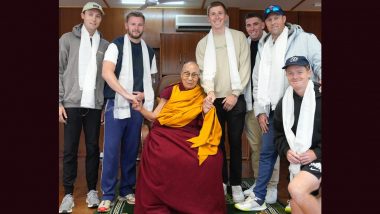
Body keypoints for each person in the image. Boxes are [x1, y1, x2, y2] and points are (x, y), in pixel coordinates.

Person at [235, 5, 321, 211]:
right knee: (267, 152)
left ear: (284, 19)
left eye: (277, 18)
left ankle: (299, 198)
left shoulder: (304, 38)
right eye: (270, 20)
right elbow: (257, 80)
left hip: (302, 106)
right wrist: (261, 110)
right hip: (274, 108)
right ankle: (259, 198)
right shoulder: (264, 45)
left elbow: (318, 61)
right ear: (266, 24)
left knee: (304, 151)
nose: (273, 23)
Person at [133, 61, 226, 213]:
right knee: (162, 154)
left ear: (199, 77)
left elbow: (206, 119)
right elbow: (154, 116)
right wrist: (140, 108)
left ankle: (199, 205)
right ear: (181, 75)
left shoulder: (202, 93)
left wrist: (205, 110)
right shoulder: (170, 90)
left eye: (194, 75)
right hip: (166, 132)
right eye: (187, 74)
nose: (190, 78)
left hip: (191, 133)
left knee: (212, 158)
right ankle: (163, 199)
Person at [98, 11, 157, 212]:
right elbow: (107, 72)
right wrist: (126, 94)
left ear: (143, 26)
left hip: (137, 107)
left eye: (140, 24)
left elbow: (152, 79)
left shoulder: (149, 51)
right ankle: (107, 194)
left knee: (132, 150)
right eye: (133, 24)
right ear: (126, 25)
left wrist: (142, 96)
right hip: (116, 104)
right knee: (112, 151)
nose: (136, 28)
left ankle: (126, 190)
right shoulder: (116, 45)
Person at [196, 1, 250, 203]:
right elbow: (203, 74)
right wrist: (210, 92)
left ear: (225, 16)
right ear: (208, 18)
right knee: (217, 144)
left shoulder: (238, 38)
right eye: (213, 14)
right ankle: (222, 181)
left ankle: (236, 184)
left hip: (235, 98)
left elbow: (245, 67)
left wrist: (235, 93)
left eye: (220, 13)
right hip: (214, 99)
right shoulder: (203, 44)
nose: (217, 17)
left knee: (235, 142)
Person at [58, 2, 109, 213]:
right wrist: (58, 101)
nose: (94, 18)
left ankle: (91, 190)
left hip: (94, 106)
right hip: (70, 103)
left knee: (93, 149)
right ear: (83, 15)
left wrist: (104, 105)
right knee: (69, 151)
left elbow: (106, 79)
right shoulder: (67, 39)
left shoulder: (105, 45)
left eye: (98, 16)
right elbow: (58, 70)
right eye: (91, 14)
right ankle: (68, 194)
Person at [275, 56, 322, 214]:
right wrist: (287, 151)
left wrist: (316, 153)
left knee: (296, 189)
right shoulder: (284, 102)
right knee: (296, 205)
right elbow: (278, 135)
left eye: (299, 72)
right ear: (286, 75)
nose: (295, 76)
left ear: (309, 72)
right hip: (296, 162)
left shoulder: (322, 95)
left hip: (320, 157)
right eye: (290, 73)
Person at [242, 12, 280, 203]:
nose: (252, 28)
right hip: (250, 103)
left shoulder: (272, 42)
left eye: (256, 24)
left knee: (269, 148)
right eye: (248, 25)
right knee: (257, 147)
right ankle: (260, 183)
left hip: (268, 106)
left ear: (263, 25)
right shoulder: (245, 44)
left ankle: (271, 187)